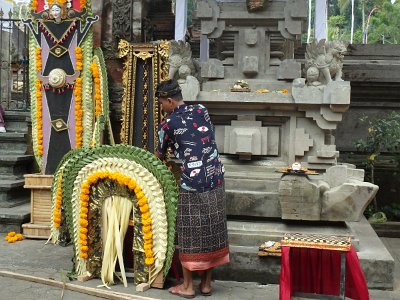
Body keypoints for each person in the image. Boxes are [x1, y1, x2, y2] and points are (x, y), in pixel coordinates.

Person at [155, 79, 229, 298]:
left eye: (161, 103)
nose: (161, 107)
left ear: (169, 100)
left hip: (192, 183)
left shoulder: (168, 124)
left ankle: (188, 287)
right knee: (212, 228)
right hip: (215, 177)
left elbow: (159, 154)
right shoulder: (201, 110)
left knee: (190, 232)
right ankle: (206, 285)